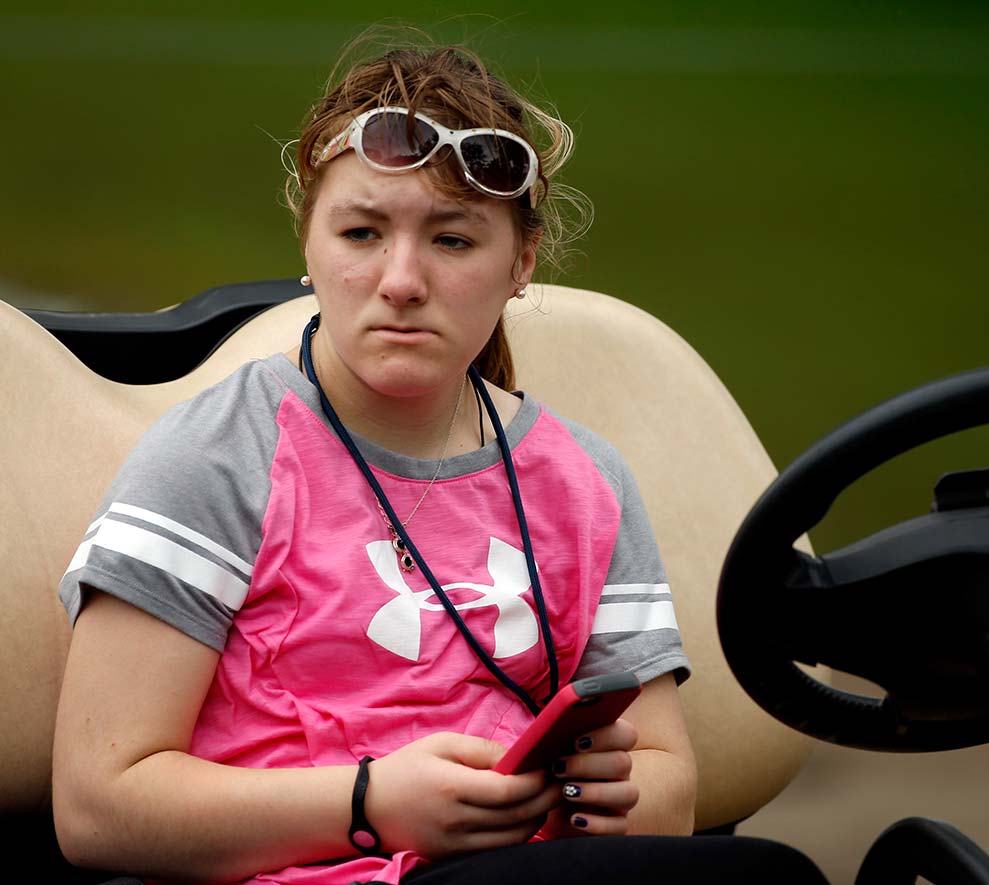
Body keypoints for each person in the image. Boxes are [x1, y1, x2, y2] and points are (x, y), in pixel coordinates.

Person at [50, 30, 826, 885]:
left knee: (769, 873)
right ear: (308, 246)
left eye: (452, 240)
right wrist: (371, 803)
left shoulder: (586, 482)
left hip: (526, 869)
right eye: (361, 232)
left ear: (520, 263)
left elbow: (670, 791)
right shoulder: (216, 454)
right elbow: (96, 805)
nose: (402, 280)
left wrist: (607, 796)